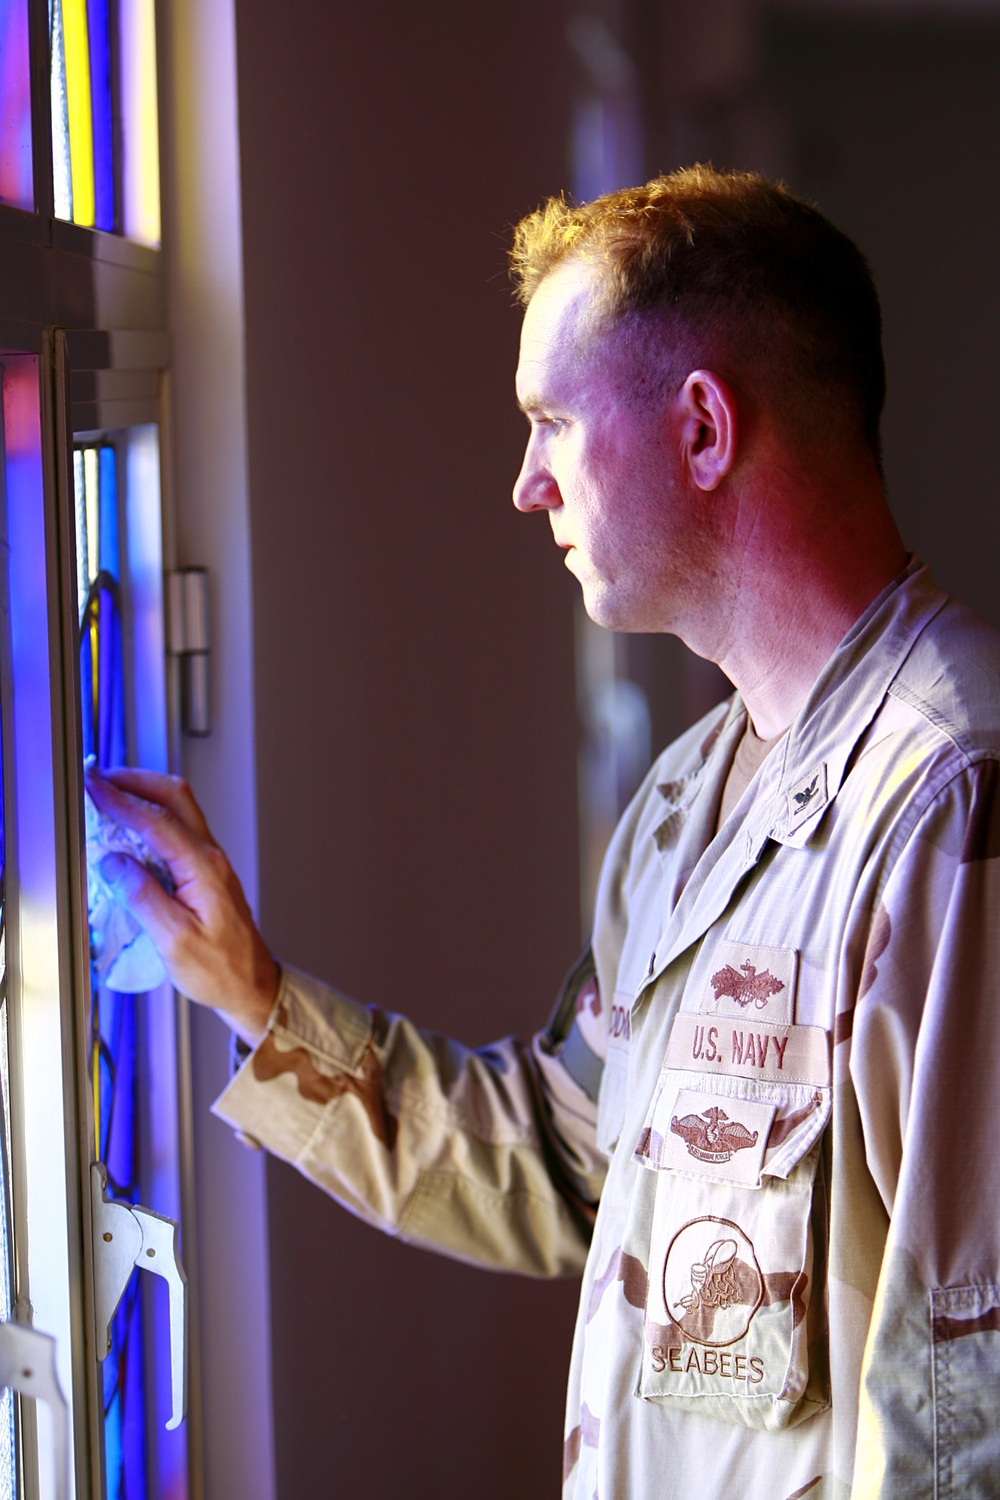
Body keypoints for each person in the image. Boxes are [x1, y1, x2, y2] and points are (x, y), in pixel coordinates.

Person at [87, 166, 1000, 1498]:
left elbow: (967, 1404)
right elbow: (568, 1160)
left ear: (701, 430)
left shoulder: (950, 799)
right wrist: (257, 999)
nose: (527, 486)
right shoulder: (690, 798)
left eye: (554, 423)